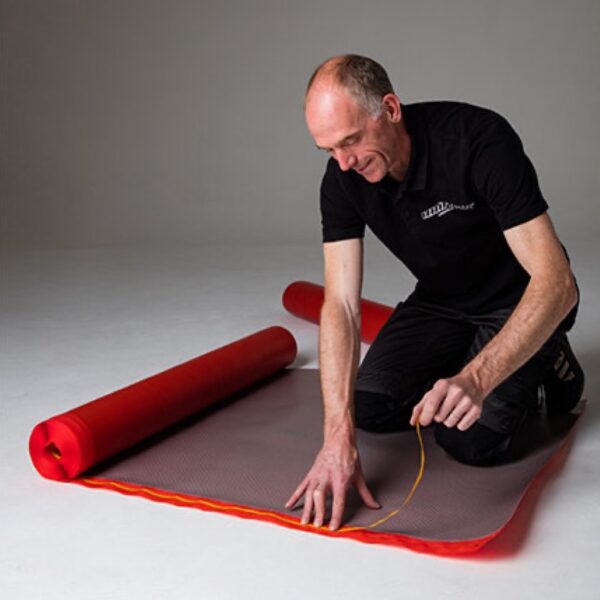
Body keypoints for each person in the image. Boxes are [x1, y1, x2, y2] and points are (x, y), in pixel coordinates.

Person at [285, 54, 585, 531]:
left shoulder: (477, 140)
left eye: (351, 141)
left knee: (469, 440)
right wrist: (336, 439)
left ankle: (550, 354)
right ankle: (473, 355)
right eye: (328, 150)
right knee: (368, 407)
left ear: (390, 109)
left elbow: (557, 282)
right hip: (441, 301)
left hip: (519, 299)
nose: (344, 163)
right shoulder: (342, 178)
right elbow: (340, 304)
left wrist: (478, 378)